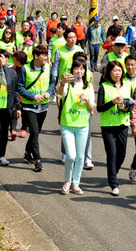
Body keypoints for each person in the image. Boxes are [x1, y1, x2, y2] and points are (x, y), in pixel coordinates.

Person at [57, 58, 95, 195]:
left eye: (82, 68)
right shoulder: (68, 84)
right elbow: (60, 94)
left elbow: (92, 108)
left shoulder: (88, 87)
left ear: (85, 71)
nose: (79, 71)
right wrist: (63, 83)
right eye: (76, 68)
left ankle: (76, 183)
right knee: (71, 155)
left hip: (83, 125)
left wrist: (88, 100)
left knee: (80, 157)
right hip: (67, 124)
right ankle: (67, 180)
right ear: (72, 70)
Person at [17, 45, 56, 173]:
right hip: (29, 107)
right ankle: (37, 160)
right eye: (43, 55)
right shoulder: (25, 69)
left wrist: (49, 92)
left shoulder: (48, 68)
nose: (46, 57)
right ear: (36, 56)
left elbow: (52, 82)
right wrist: (33, 96)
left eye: (46, 55)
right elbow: (20, 87)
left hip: (43, 106)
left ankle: (27, 153)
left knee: (36, 132)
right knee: (34, 132)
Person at [97, 60, 133, 196]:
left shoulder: (127, 85)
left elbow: (131, 105)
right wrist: (112, 102)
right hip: (108, 125)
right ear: (109, 72)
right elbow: (99, 108)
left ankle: (113, 174)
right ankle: (114, 184)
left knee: (122, 154)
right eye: (114, 71)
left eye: (119, 71)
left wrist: (126, 108)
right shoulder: (104, 86)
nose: (117, 73)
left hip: (122, 124)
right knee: (111, 155)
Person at [0, 49, 21, 166]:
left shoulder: (12, 73)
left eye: (1, 57)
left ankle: (2, 155)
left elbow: (15, 91)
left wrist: (18, 106)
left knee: (4, 132)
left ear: (6, 59)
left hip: (7, 107)